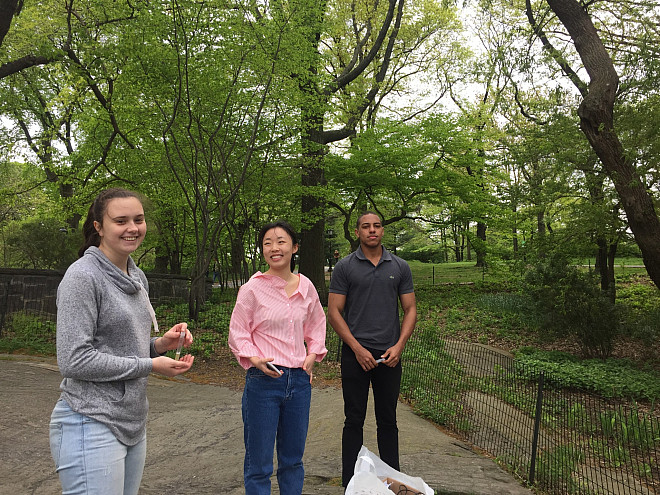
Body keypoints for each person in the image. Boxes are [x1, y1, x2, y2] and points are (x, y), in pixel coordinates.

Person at [49, 188, 195, 495]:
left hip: (132, 422)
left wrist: (159, 345)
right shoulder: (82, 277)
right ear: (99, 227)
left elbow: (119, 347)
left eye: (138, 219)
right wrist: (150, 364)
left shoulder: (136, 276)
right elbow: (74, 359)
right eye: (121, 220)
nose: (133, 228)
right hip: (89, 420)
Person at [228, 220, 327, 494]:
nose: (274, 248)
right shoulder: (252, 289)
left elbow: (317, 325)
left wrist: (313, 354)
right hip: (263, 380)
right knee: (259, 463)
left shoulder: (306, 287)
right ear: (262, 250)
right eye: (267, 243)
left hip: (299, 381)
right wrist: (254, 358)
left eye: (281, 242)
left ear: (294, 247)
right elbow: (238, 332)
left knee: (292, 460)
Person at [328, 211, 417, 487]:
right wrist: (356, 348)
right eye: (365, 226)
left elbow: (411, 308)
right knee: (353, 419)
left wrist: (399, 345)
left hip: (389, 356)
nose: (372, 230)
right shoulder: (345, 267)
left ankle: (393, 483)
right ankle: (350, 483)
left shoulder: (400, 266)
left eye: (377, 225)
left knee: (388, 421)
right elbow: (334, 311)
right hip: (356, 355)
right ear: (357, 232)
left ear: (382, 231)